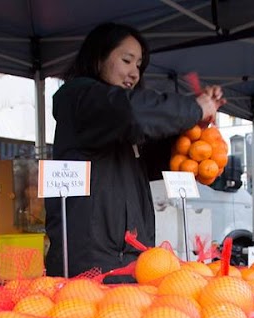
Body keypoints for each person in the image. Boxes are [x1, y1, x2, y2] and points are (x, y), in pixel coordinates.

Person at [44, 23, 225, 278]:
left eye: (139, 65)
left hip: (129, 256)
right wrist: (192, 108)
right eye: (127, 60)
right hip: (91, 263)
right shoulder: (81, 97)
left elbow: (150, 158)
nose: (134, 73)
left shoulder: (117, 124)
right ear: (98, 58)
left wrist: (191, 138)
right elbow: (133, 112)